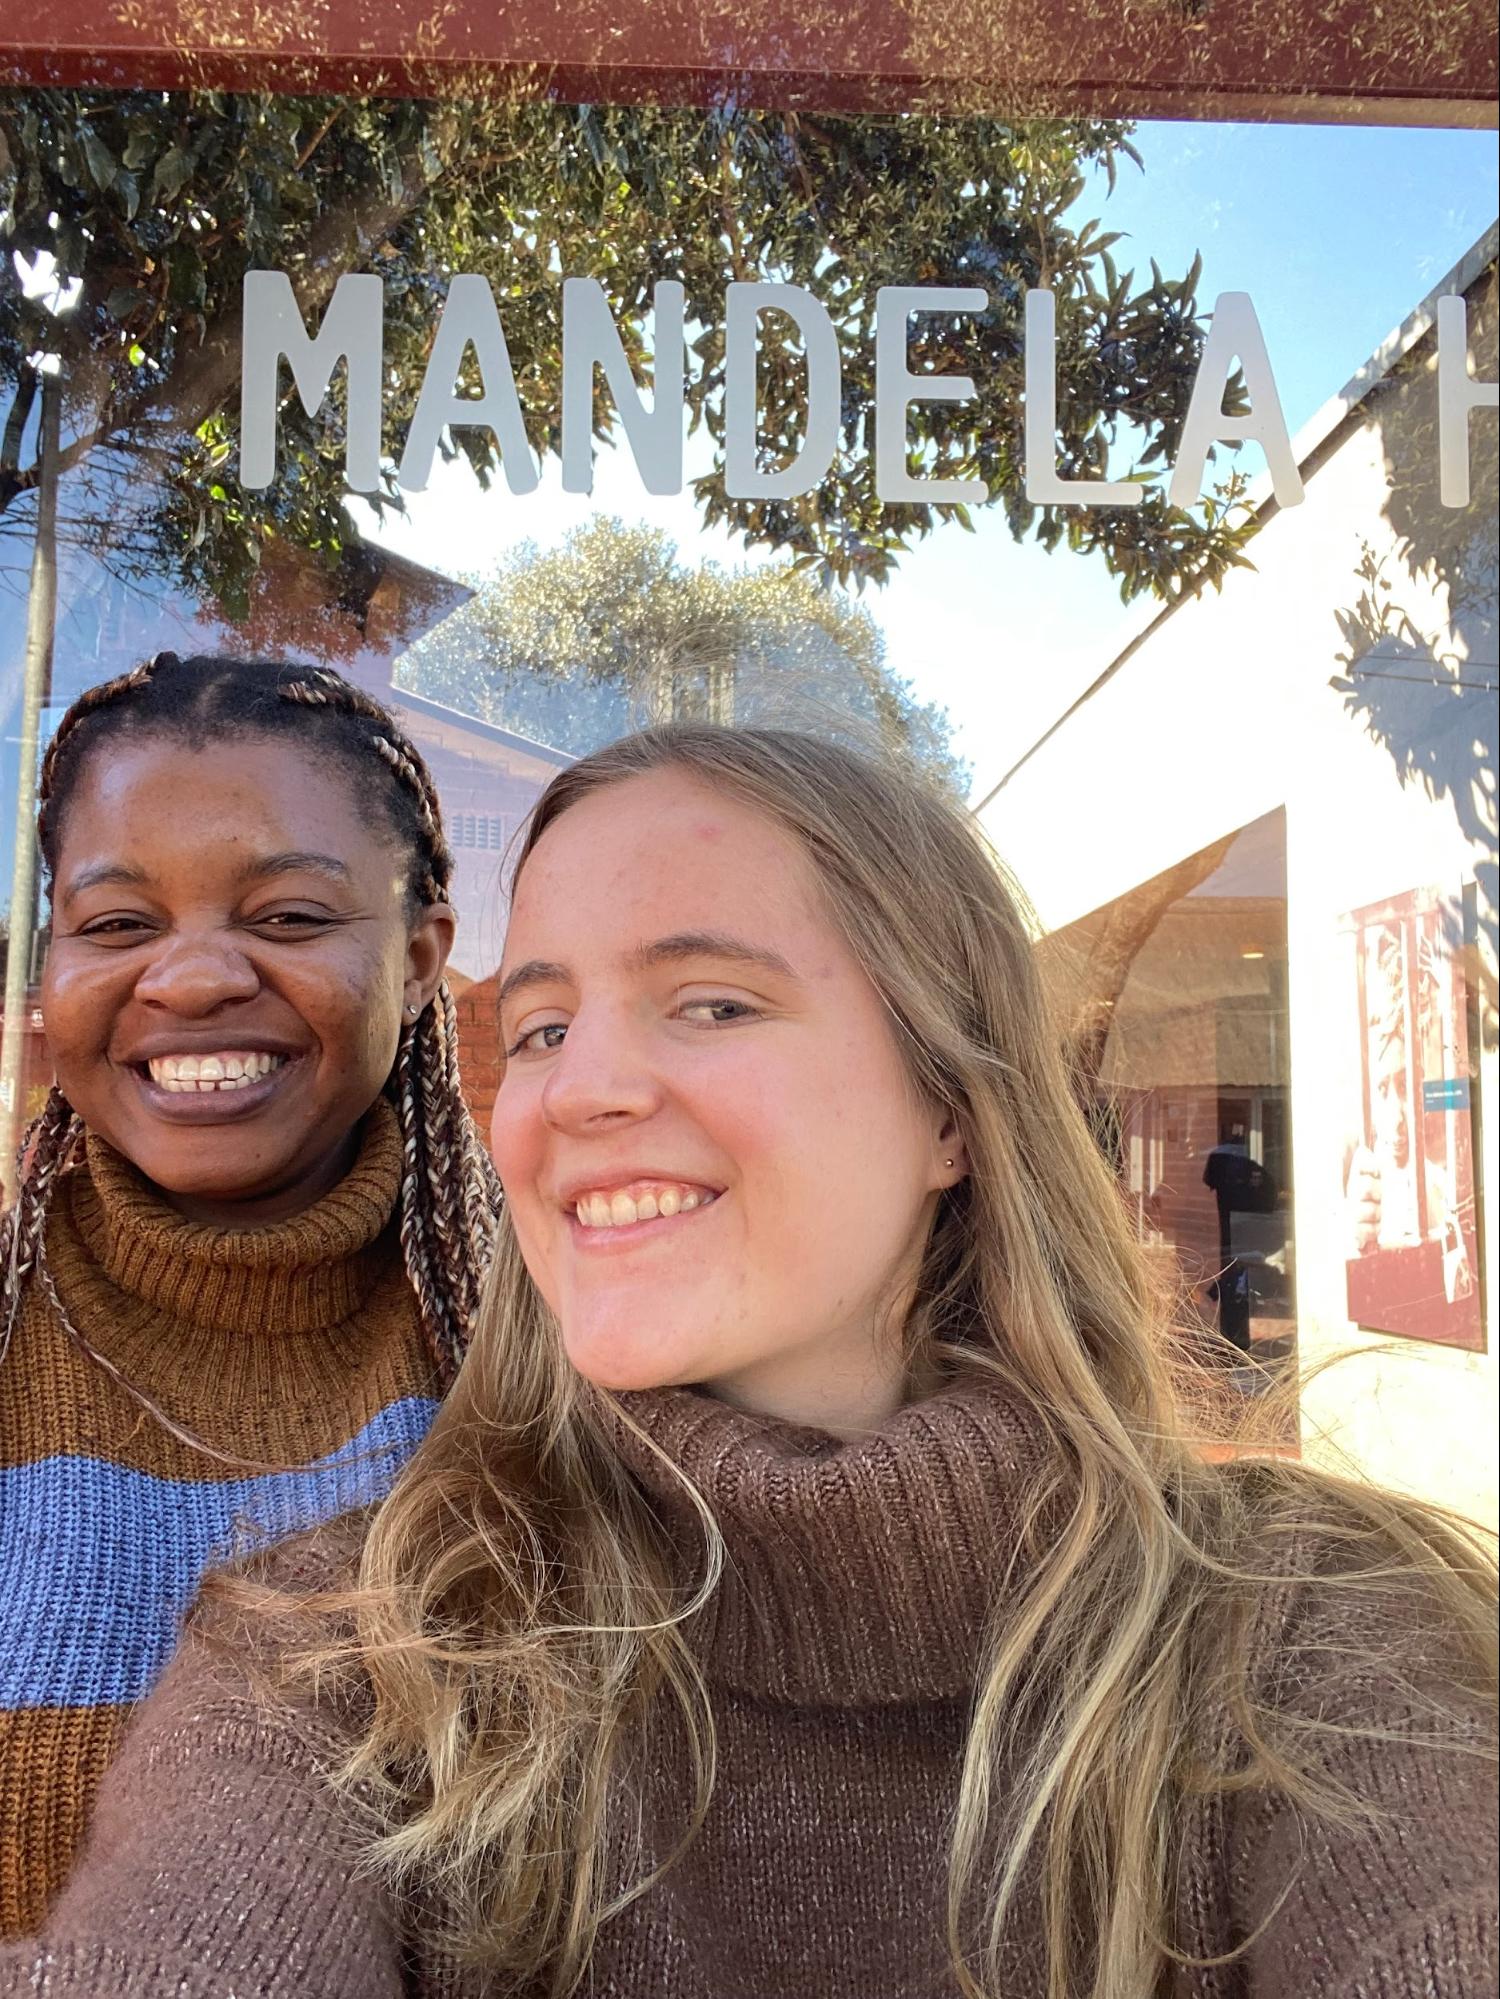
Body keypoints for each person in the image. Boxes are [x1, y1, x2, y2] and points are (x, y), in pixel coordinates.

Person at [2, 726, 1494, 1999]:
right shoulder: (341, 1662)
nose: (578, 1088)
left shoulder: (1303, 1627)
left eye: (711, 1000)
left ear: (950, 1108)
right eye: (539, 1025)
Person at [0, 653, 500, 1937]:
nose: (193, 978)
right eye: (117, 925)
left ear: (423, 955)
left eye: (287, 916)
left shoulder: (551, 1351)